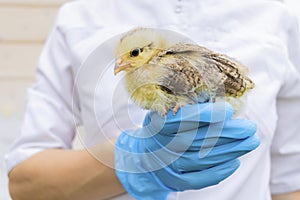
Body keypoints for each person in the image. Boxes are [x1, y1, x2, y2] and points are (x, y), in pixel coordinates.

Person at [5, 0, 300, 199]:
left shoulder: (279, 14)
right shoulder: (82, 14)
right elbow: (25, 183)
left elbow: (290, 184)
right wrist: (136, 158)